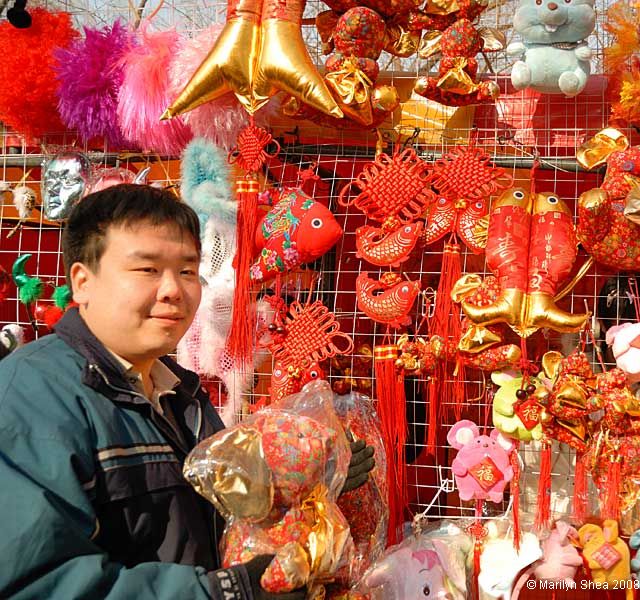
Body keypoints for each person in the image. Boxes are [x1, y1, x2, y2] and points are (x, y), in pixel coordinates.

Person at [0, 184, 374, 600]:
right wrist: (225, 592)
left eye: (187, 270)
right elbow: (35, 583)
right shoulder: (33, 398)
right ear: (82, 282)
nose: (173, 290)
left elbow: (209, 521)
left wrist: (302, 485)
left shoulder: (183, 394)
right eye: (147, 270)